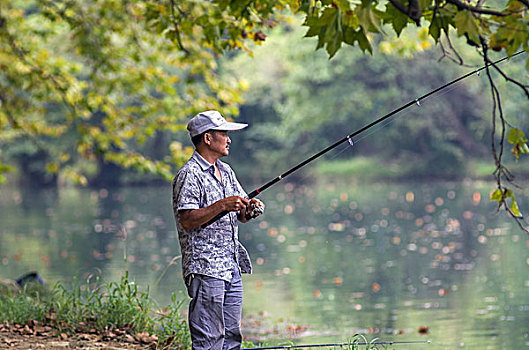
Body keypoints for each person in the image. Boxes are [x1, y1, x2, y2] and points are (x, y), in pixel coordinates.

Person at [172, 110, 265, 350]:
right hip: (206, 269)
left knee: (232, 339)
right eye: (224, 133)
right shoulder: (189, 174)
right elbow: (188, 220)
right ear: (207, 138)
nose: (229, 139)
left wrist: (250, 209)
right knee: (209, 341)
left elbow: (241, 215)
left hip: (231, 266)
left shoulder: (226, 171)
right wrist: (223, 204)